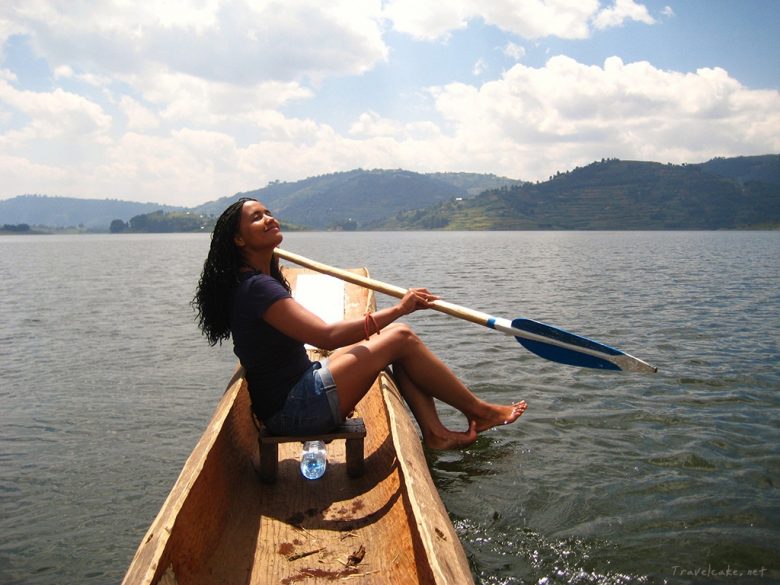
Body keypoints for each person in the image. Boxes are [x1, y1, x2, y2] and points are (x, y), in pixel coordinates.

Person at [193, 198, 527, 450]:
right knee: (401, 337)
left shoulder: (260, 278)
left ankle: (436, 433)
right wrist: (400, 309)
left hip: (296, 392)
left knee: (393, 343)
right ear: (239, 240)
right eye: (257, 218)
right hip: (296, 409)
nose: (269, 219)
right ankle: (479, 412)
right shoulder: (257, 287)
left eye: (268, 213)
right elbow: (327, 335)